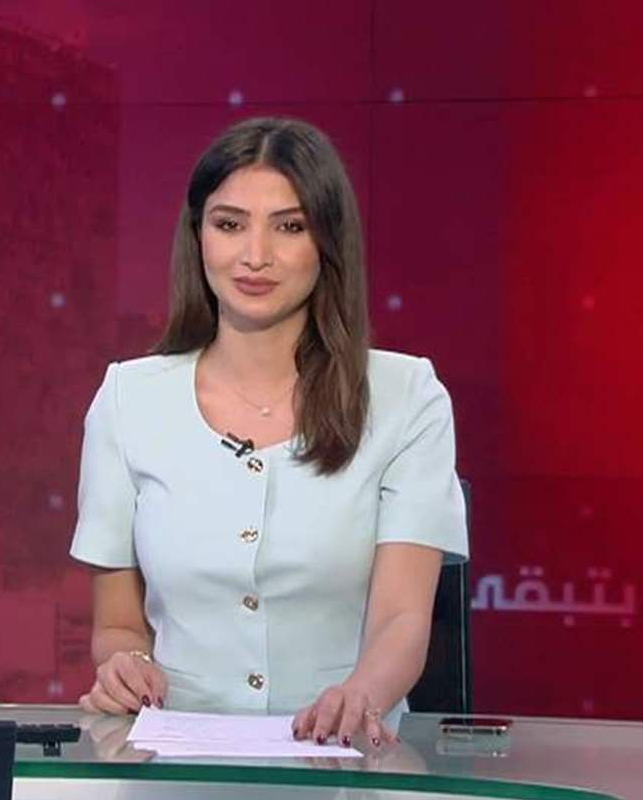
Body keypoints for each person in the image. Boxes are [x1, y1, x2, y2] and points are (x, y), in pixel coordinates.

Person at [70, 116, 466, 747]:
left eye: (290, 227)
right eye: (229, 225)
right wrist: (127, 666)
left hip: (342, 765)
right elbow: (118, 626)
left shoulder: (405, 397)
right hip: (174, 766)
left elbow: (401, 619)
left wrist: (358, 698)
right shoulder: (128, 399)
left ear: (327, 241)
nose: (255, 256)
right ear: (198, 235)